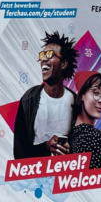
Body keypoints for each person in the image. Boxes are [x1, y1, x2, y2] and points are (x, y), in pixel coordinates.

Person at [13, 31, 78, 160]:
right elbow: (19, 151)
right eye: (42, 54)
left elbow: (82, 146)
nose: (43, 59)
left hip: (65, 174)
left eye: (50, 54)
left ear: (63, 64)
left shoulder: (75, 102)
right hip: (35, 175)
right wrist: (46, 148)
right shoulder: (28, 100)